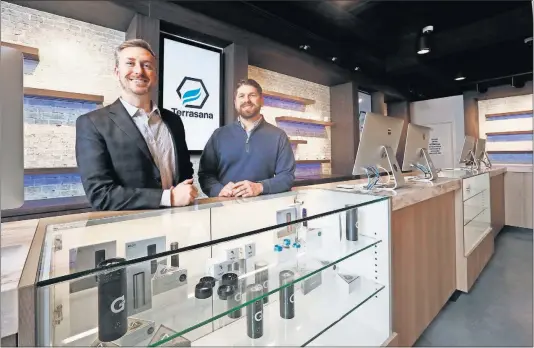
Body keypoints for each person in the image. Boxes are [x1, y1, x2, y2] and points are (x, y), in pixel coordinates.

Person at [75, 39, 197, 211]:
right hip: (129, 230)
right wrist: (168, 198)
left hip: (178, 224)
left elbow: (185, 171)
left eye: (147, 65)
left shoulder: (173, 121)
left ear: (155, 74)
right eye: (130, 63)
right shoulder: (91, 124)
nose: (139, 71)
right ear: (117, 72)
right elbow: (100, 194)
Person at [198, 79, 296, 198]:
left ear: (261, 100)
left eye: (252, 95)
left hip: (264, 209)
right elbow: (205, 175)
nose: (246, 100)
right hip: (225, 209)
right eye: (241, 96)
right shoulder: (219, 135)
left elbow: (287, 177)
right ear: (235, 102)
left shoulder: (279, 136)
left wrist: (259, 187)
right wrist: (219, 190)